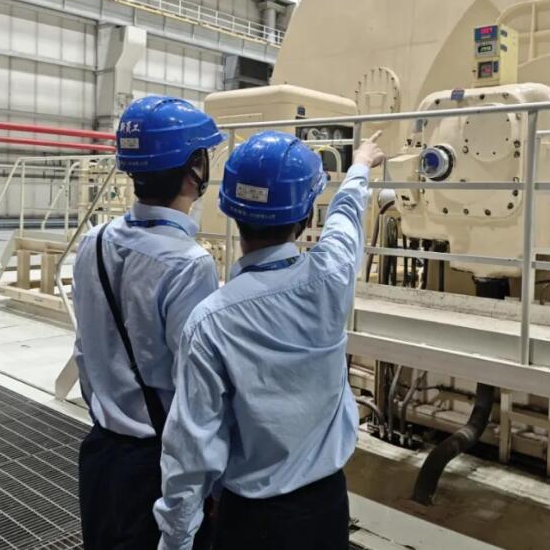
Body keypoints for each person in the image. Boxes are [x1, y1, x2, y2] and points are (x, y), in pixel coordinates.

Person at [154, 129, 386, 550]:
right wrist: (359, 166)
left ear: (231, 211)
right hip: (326, 508)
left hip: (251, 521)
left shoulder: (210, 321)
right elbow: (345, 219)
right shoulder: (332, 277)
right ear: (305, 219)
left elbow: (192, 449)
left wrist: (175, 540)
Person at [72, 95, 225, 550]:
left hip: (101, 456)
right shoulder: (189, 264)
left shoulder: (94, 241)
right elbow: (194, 395)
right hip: (154, 469)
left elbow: (84, 352)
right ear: (194, 168)